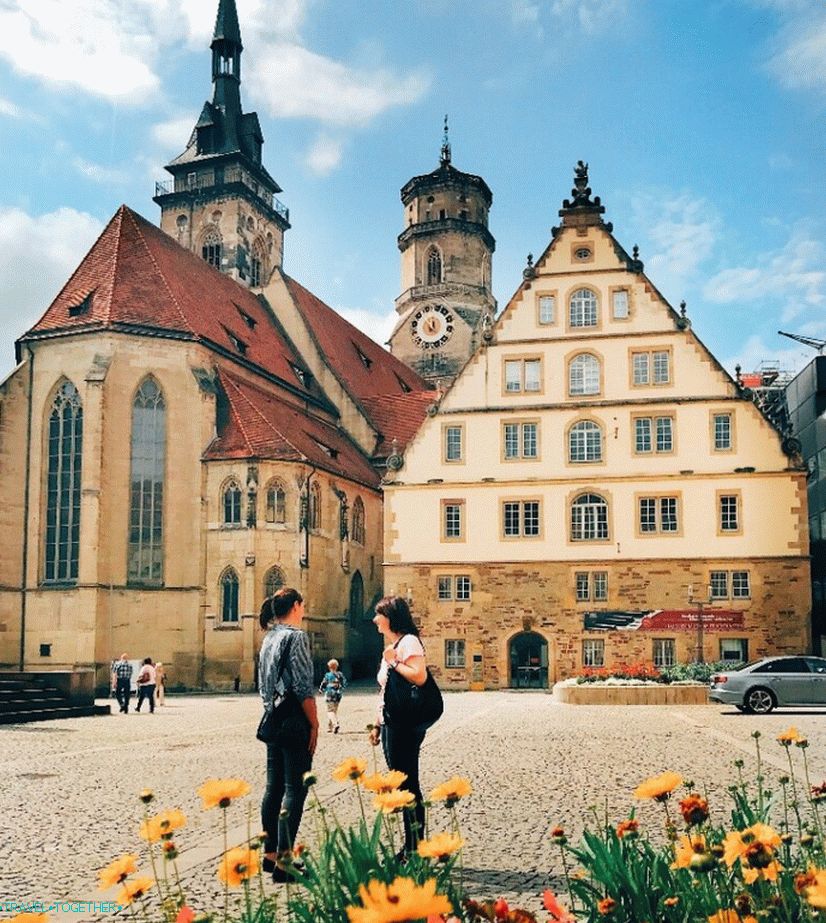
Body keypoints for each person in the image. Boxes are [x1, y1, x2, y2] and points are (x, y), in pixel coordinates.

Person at [258, 587, 319, 883]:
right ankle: (285, 862)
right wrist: (315, 723)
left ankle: (270, 855)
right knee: (295, 789)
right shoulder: (296, 636)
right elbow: (303, 685)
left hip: (272, 718)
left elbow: (263, 683)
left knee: (273, 788)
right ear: (296, 605)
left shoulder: (268, 637)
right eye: (303, 604)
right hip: (294, 720)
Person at [368, 595, 428, 857]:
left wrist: (393, 661)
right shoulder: (394, 644)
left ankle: (414, 846)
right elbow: (387, 691)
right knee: (401, 782)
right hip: (392, 722)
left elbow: (419, 675)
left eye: (378, 614)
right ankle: (411, 844)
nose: (374, 620)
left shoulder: (409, 642)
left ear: (390, 617)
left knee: (408, 784)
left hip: (405, 724)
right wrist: (377, 725)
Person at [319, 658, 347, 733]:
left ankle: (335, 724)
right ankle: (329, 727)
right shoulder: (340, 674)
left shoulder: (328, 675)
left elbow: (323, 683)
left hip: (329, 694)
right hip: (338, 695)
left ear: (329, 667)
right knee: (334, 710)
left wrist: (321, 690)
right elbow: (344, 683)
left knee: (330, 711)